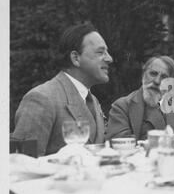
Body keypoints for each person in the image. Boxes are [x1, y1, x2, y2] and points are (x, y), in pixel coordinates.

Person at [12, 23, 112, 156]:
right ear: (76, 58)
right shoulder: (41, 98)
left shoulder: (93, 101)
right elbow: (22, 163)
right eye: (100, 52)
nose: (110, 58)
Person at [106, 55, 174, 140]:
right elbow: (120, 145)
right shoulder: (122, 107)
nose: (157, 81)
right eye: (153, 74)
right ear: (143, 75)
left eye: (164, 77)